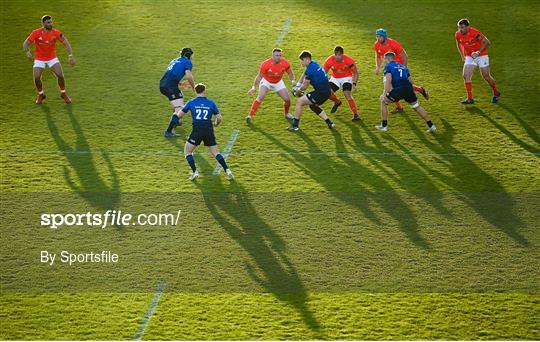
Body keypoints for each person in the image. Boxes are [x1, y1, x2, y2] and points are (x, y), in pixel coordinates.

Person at [177, 83, 233, 181]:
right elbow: (219, 117)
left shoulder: (191, 102)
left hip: (197, 130)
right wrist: (216, 124)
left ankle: (195, 172)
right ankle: (227, 170)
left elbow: (180, 115)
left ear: (195, 91)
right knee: (216, 152)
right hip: (208, 130)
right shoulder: (211, 103)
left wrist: (178, 109)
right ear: (204, 91)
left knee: (188, 151)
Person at [376, 52, 436, 133]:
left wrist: (384, 94)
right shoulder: (403, 67)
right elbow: (411, 81)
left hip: (398, 90)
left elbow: (388, 81)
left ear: (389, 59)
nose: (384, 61)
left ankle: (384, 126)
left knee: (383, 102)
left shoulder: (388, 66)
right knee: (417, 106)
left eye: (385, 60)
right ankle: (431, 126)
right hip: (408, 89)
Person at [23, 15, 75, 104]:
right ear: (43, 24)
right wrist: (27, 52)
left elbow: (66, 43)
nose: (50, 24)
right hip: (39, 58)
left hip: (52, 57)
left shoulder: (56, 32)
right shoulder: (36, 32)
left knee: (60, 75)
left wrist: (70, 56)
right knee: (36, 77)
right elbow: (26, 43)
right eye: (48, 22)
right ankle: (41, 94)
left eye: (51, 22)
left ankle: (63, 93)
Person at [373, 28, 428, 113]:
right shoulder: (377, 44)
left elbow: (404, 56)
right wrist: (377, 67)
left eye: (379, 36)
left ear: (384, 37)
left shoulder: (393, 44)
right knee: (393, 87)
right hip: (389, 68)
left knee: (403, 86)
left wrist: (404, 68)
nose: (378, 38)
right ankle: (400, 106)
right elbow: (377, 56)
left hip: (398, 67)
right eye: (377, 36)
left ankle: (420, 90)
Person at [455, 18, 500, 104]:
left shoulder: (475, 33)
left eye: (462, 27)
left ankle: (496, 93)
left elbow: (487, 42)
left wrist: (478, 52)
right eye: (459, 27)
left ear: (468, 27)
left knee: (486, 76)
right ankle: (470, 98)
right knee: (466, 75)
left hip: (482, 55)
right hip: (470, 56)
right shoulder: (458, 34)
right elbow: (459, 43)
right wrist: (463, 55)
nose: (460, 30)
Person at [288, 50, 335, 132]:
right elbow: (304, 73)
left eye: (301, 61)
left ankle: (295, 125)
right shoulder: (313, 64)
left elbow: (305, 86)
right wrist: (298, 84)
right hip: (327, 91)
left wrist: (297, 91)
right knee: (313, 105)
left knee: (300, 101)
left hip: (321, 93)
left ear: (306, 59)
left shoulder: (310, 70)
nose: (301, 63)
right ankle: (329, 122)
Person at [246, 48, 295, 123]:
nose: (278, 57)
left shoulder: (285, 63)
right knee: (261, 96)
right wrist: (253, 87)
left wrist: (292, 81)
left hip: (278, 82)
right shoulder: (265, 64)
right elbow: (259, 76)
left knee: (287, 100)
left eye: (280, 55)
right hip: (266, 81)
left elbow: (290, 73)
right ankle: (250, 116)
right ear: (272, 56)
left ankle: (286, 113)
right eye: (276, 55)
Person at [160, 47, 195, 137]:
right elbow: (189, 76)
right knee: (180, 109)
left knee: (180, 97)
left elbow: (170, 73)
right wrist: (194, 88)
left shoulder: (175, 60)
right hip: (170, 86)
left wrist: (179, 83)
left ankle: (175, 121)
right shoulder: (188, 62)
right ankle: (168, 131)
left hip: (163, 84)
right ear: (189, 56)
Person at [323, 45, 361, 121]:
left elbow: (356, 73)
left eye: (339, 55)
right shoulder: (329, 60)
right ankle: (337, 102)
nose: (337, 57)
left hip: (346, 78)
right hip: (335, 78)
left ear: (342, 55)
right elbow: (324, 73)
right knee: (327, 93)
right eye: (336, 55)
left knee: (347, 94)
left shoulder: (349, 60)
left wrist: (354, 84)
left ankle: (355, 114)